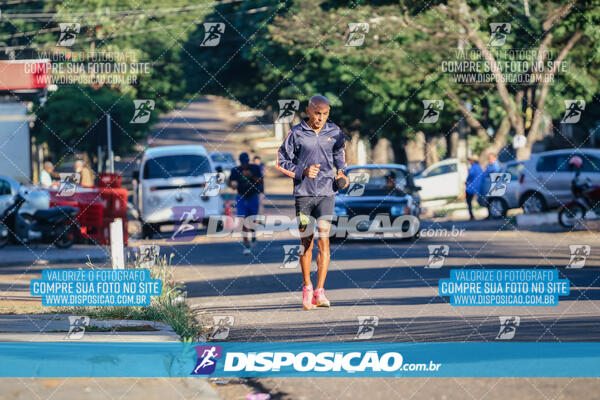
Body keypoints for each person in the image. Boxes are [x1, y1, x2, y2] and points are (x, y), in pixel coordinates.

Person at [276, 95, 349, 310]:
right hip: (304, 195)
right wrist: (302, 171)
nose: (321, 118)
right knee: (306, 243)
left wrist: (342, 173)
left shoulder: (334, 132)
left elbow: (339, 153)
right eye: (317, 113)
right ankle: (307, 287)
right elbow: (281, 161)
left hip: (327, 192)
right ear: (308, 111)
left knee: (324, 240)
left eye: (325, 114)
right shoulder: (296, 133)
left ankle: (320, 291)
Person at [228, 152, 263, 255]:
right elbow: (229, 181)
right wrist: (232, 185)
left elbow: (261, 182)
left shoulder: (255, 168)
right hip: (241, 197)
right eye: (243, 163)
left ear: (249, 161)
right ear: (240, 162)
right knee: (242, 220)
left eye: (246, 162)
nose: (245, 164)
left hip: (253, 196)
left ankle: (253, 235)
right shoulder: (235, 170)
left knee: (252, 219)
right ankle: (246, 244)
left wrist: (251, 176)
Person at [465, 155, 483, 220]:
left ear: (473, 161)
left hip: (470, 188)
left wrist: (466, 180)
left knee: (468, 202)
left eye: (471, 160)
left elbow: (470, 175)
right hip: (478, 187)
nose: (470, 161)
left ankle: (471, 215)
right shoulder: (479, 167)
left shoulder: (473, 167)